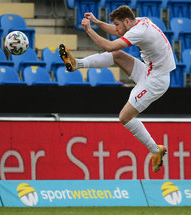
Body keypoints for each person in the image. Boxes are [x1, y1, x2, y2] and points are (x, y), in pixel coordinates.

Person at [59, 5, 176, 172]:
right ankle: (77, 63)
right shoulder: (139, 21)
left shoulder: (139, 31)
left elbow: (109, 45)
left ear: (127, 21)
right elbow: (117, 32)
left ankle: (156, 150)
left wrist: (88, 29)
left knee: (124, 117)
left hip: (156, 81)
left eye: (117, 24)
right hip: (150, 71)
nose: (116, 28)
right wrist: (96, 21)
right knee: (118, 56)